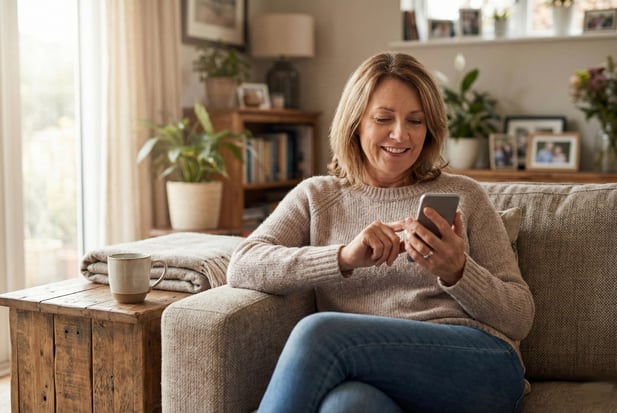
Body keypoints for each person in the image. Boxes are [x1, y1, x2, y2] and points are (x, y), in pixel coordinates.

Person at [227, 52, 535, 413]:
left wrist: (458, 271)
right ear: (355, 123)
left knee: (318, 333)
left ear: (430, 128)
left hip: (479, 368)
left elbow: (520, 317)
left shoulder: (465, 196)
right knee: (346, 406)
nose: (400, 134)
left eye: (415, 121)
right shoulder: (318, 197)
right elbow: (243, 264)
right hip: (376, 377)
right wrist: (343, 257)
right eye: (384, 118)